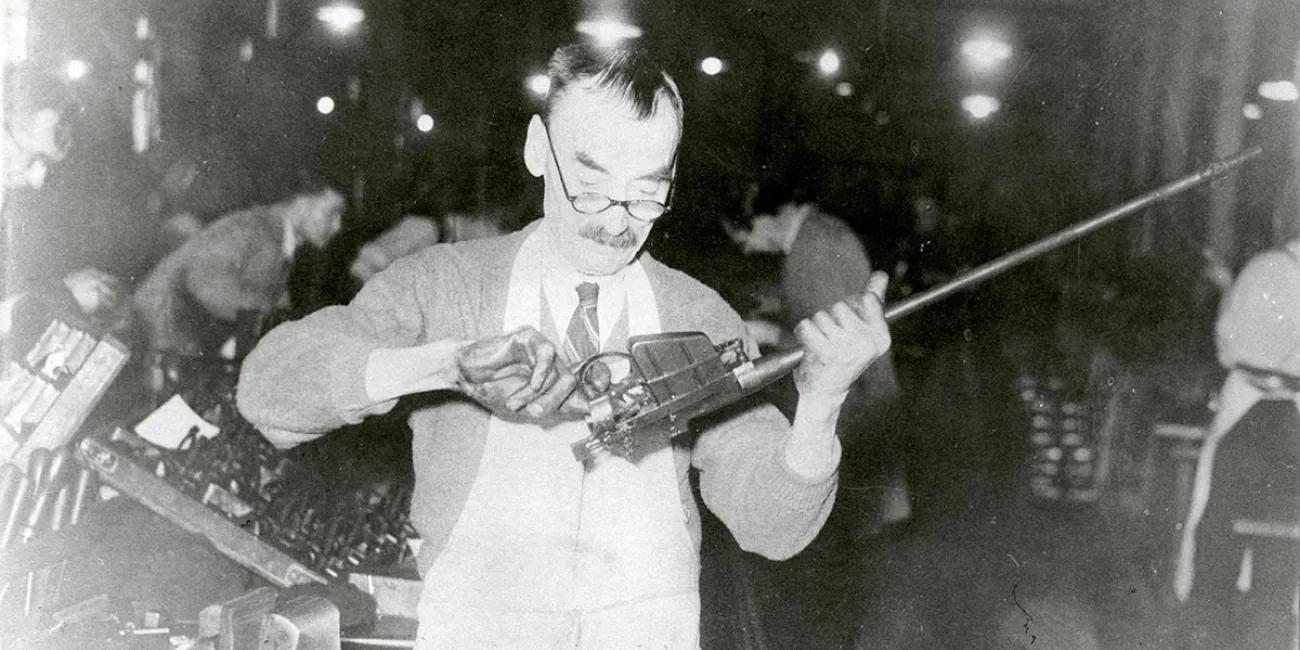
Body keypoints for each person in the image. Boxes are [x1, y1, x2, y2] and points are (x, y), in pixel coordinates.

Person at [237, 43, 892, 648]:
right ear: (537, 149)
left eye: (647, 194)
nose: (615, 223)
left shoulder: (698, 316)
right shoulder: (444, 285)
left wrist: (821, 404)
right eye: (592, 188)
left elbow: (774, 528)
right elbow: (267, 390)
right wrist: (440, 365)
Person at [1175, 239, 1300, 647]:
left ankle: (1208, 628)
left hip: (1245, 411)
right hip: (1292, 422)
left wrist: (1229, 287)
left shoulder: (1262, 267)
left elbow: (1228, 342)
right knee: (1282, 545)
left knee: (1218, 527)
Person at [133, 180, 344, 360]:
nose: (338, 226)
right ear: (302, 202)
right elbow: (205, 284)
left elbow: (274, 306)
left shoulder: (280, 243)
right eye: (332, 213)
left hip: (170, 339)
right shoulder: (254, 229)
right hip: (153, 336)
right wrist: (269, 318)